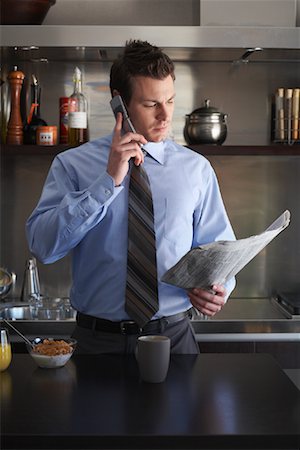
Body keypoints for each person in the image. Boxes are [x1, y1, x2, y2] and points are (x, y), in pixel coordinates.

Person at [26, 40, 236, 354]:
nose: (166, 115)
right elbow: (43, 246)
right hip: (96, 341)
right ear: (118, 103)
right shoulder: (72, 165)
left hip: (173, 338)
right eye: (152, 104)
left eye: (170, 100)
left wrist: (219, 289)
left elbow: (220, 251)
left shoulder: (196, 170)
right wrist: (107, 181)